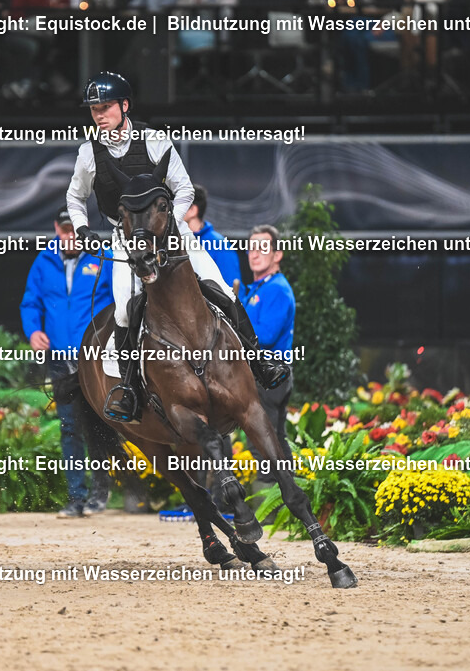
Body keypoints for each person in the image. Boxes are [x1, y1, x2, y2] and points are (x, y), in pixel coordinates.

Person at [65, 71, 289, 424]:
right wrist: (81, 229)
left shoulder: (155, 141)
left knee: (222, 292)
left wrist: (170, 226)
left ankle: (259, 361)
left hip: (172, 234)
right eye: (94, 109)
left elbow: (183, 189)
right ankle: (128, 389)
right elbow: (75, 198)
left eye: (105, 107)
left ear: (124, 106)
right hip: (126, 240)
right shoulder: (87, 154)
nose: (98, 115)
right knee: (124, 312)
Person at [20, 209, 115, 517]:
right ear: (56, 230)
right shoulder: (43, 262)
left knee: (100, 424)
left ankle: (101, 492)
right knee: (69, 426)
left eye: (74, 229)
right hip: (60, 359)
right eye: (64, 230)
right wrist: (34, 331)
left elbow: (120, 299)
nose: (69, 236)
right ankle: (76, 497)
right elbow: (30, 302)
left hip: (95, 359)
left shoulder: (103, 258)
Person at [239, 225, 296, 494]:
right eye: (252, 248)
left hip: (270, 374)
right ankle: (287, 498)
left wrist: (235, 328)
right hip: (264, 374)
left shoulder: (277, 289)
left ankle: (274, 501)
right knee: (274, 438)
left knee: (264, 439)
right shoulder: (258, 287)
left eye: (263, 248)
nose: (255, 254)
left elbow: (267, 335)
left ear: (277, 255)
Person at [182, 184, 241, 288]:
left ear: (193, 210)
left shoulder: (219, 244)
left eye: (180, 204)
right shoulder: (175, 242)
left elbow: (232, 286)